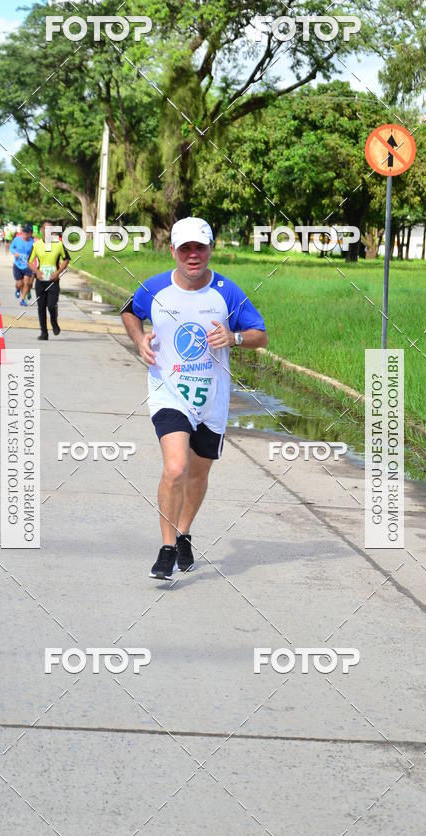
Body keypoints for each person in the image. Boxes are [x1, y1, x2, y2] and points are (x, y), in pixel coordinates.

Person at [120, 216, 268, 579]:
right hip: (168, 392)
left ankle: (183, 532)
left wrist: (233, 338)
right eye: (185, 248)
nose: (192, 255)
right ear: (172, 250)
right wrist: (139, 340)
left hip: (211, 399)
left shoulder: (226, 293)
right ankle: (166, 547)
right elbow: (129, 312)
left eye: (199, 247)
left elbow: (260, 334)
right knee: (175, 467)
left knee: (198, 474)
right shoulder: (155, 288)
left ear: (210, 249)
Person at [28, 221, 70, 340]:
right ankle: (44, 333)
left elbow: (66, 259)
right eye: (46, 229)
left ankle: (54, 322)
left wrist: (58, 272)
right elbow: (29, 262)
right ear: (42, 230)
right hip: (40, 281)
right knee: (41, 308)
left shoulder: (59, 244)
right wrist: (37, 272)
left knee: (51, 305)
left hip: (53, 281)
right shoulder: (36, 245)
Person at [9, 223, 34, 306]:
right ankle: (17, 288)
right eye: (24, 233)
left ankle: (23, 299)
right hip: (17, 265)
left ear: (30, 234)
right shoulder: (17, 239)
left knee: (26, 282)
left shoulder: (32, 242)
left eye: (27, 233)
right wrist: (14, 252)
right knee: (19, 284)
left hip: (27, 265)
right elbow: (11, 247)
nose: (25, 235)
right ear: (22, 233)